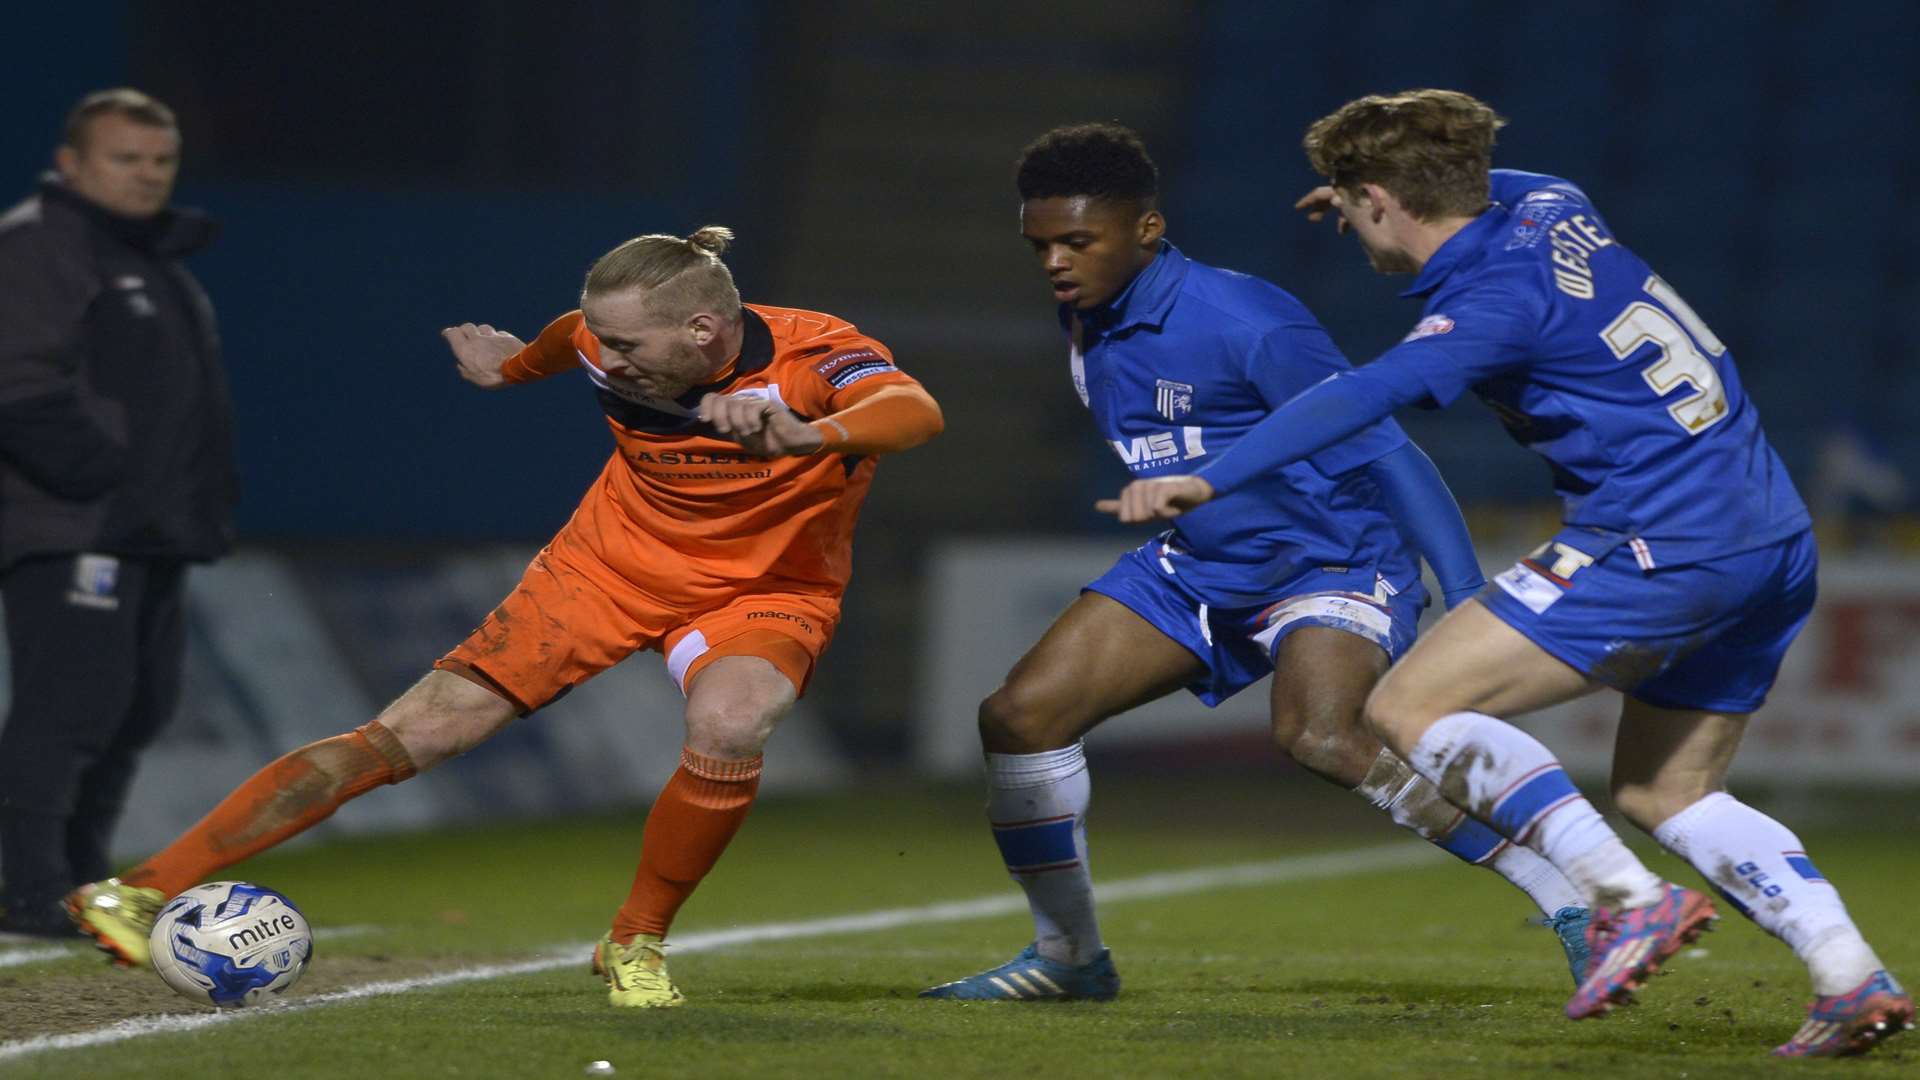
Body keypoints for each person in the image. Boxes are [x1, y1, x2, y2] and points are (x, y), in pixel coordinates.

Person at [1100, 90, 1912, 1058]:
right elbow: (1484, 189)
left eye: (1358, 207)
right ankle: (1849, 975)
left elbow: (1360, 398)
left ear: (1377, 199)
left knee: (1407, 709)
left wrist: (1209, 476)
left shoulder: (1491, 306)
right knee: (1667, 795)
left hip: (1663, 538)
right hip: (1771, 535)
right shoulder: (1551, 206)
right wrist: (1375, 190)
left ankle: (1625, 901)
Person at [67, 226, 944, 1008]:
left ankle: (635, 938)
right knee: (410, 735)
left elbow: (915, 411)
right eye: (598, 334)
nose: (607, 355)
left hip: (768, 587)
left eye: (627, 342)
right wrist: (513, 366)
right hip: (602, 570)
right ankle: (141, 890)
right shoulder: (602, 344)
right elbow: (569, 340)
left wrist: (809, 435)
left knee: (735, 718)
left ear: (703, 332)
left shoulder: (819, 356)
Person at [921, 123, 1591, 1003]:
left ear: (1148, 229)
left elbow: (1390, 452)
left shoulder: (1247, 319)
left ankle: (1571, 897)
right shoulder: (1087, 314)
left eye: (1078, 241)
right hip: (1199, 568)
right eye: (1040, 243)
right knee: (1019, 717)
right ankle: (1070, 958)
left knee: (1319, 735)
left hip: (1332, 561)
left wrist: (1464, 591)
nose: (1054, 260)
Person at [0, 89, 234, 938]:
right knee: (70, 705)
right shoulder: (39, 245)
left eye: (160, 161)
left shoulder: (145, 258)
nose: (147, 176)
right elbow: (18, 384)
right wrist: (103, 481)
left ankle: (78, 881)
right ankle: (26, 888)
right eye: (124, 159)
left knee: (135, 708)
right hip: (76, 528)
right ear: (71, 164)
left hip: (145, 532)